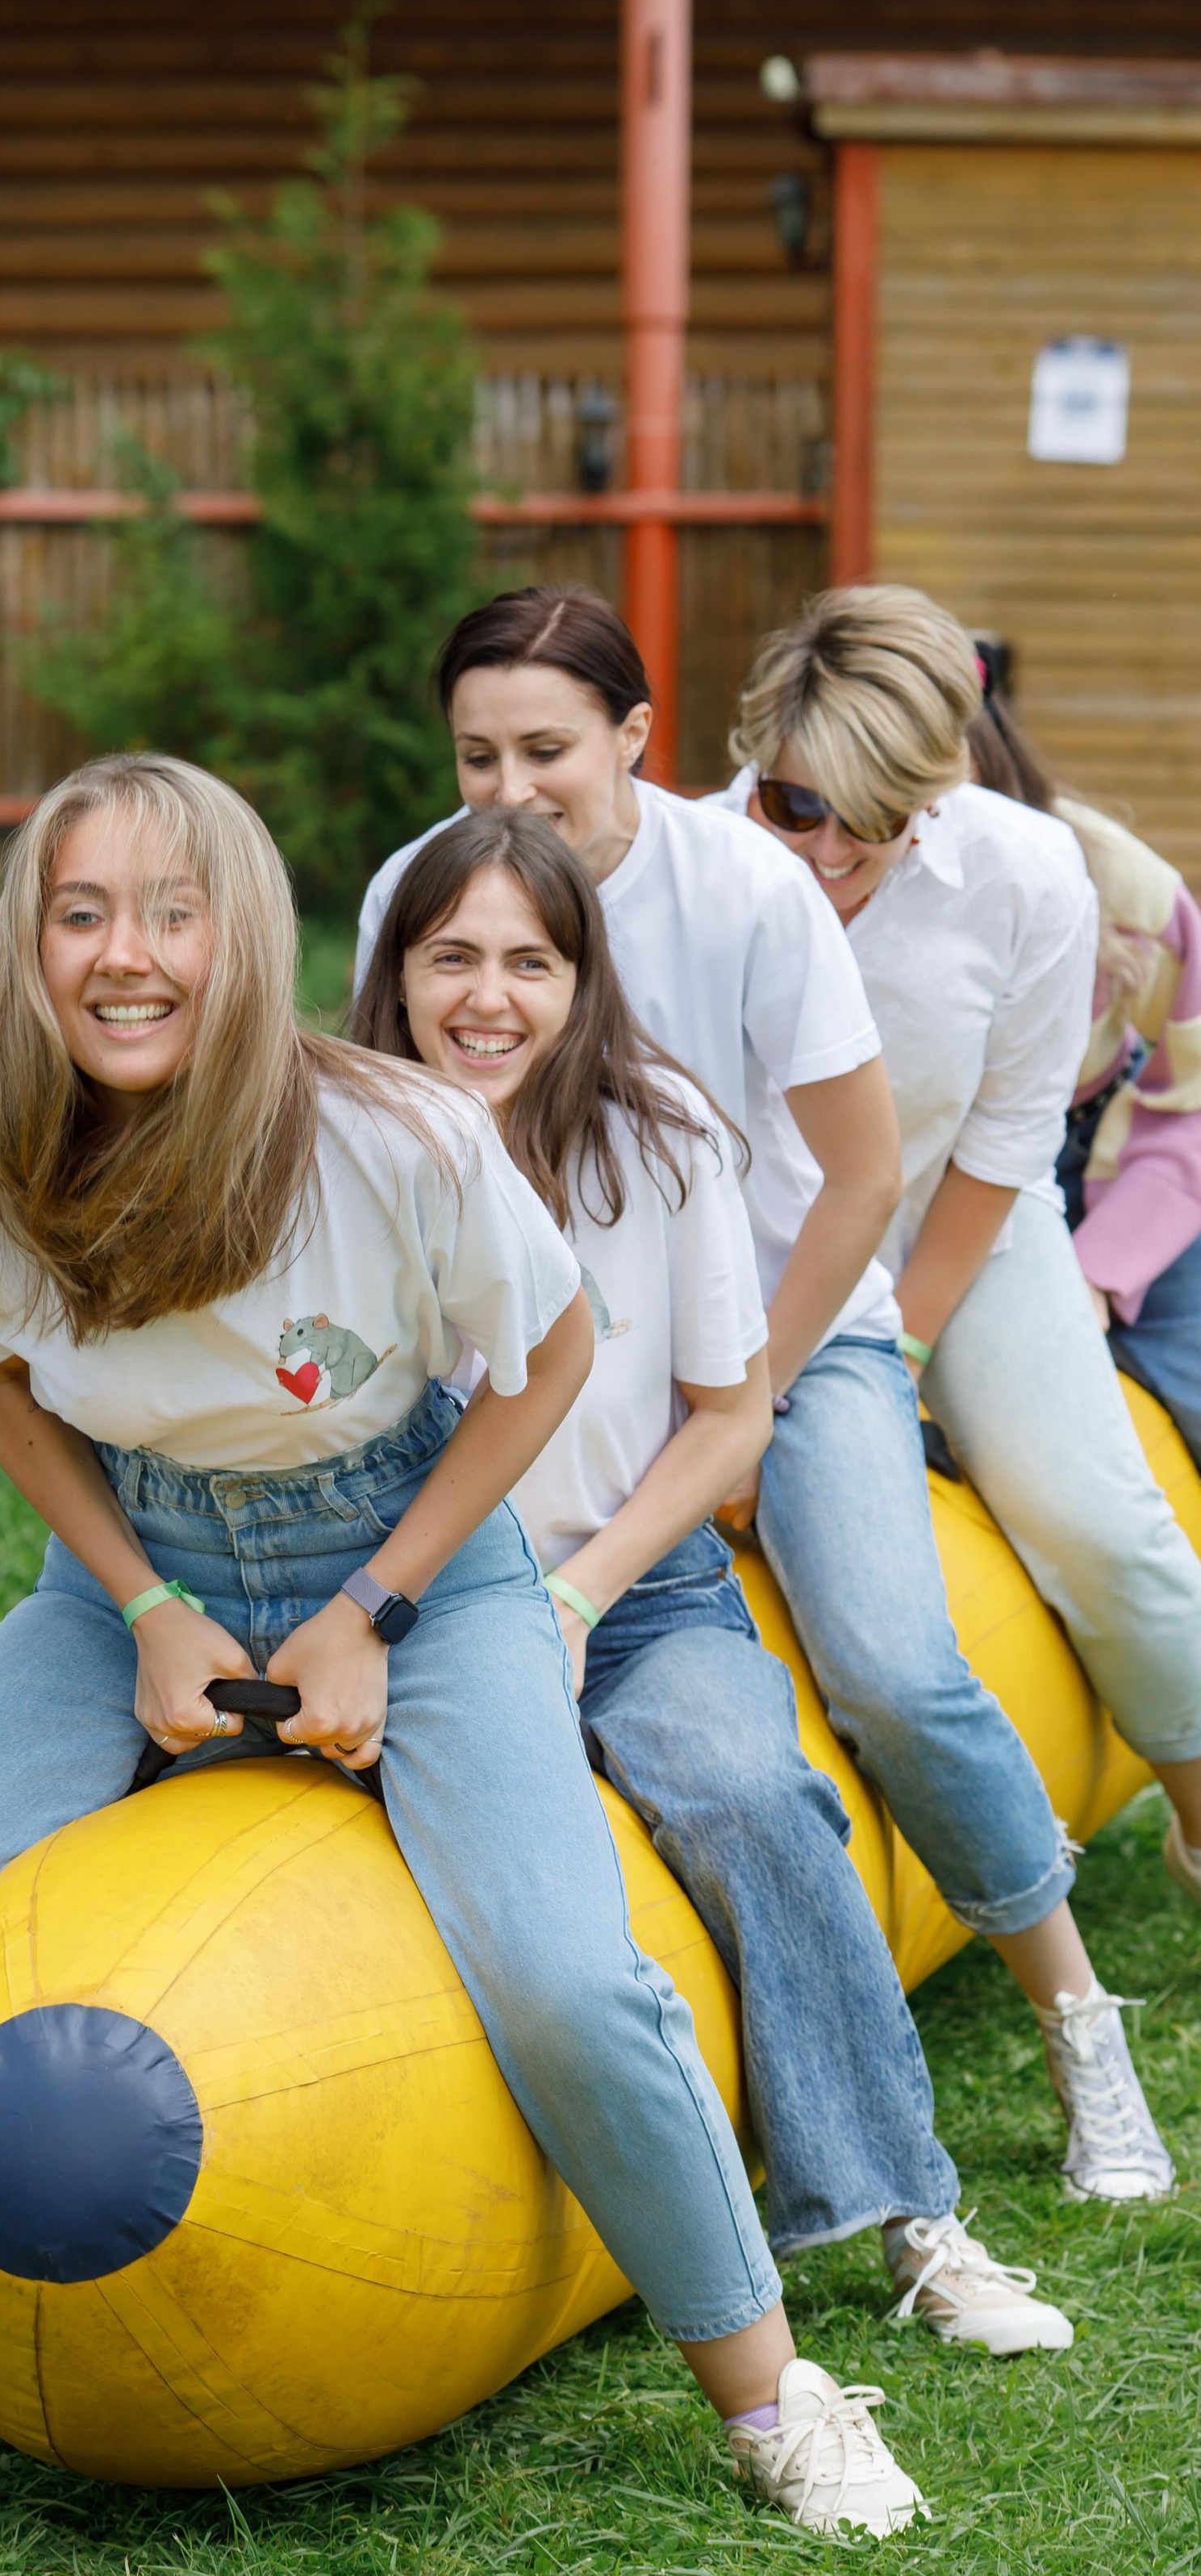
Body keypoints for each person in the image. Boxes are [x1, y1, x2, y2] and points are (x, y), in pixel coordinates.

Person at [0, 752, 922, 2541]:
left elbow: (544, 1368)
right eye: (81, 912)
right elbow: (1, 1391)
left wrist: (370, 1614)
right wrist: (147, 1608)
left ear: (239, 940)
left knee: (571, 1986)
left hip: (418, 1554)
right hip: (136, 1564)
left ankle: (771, 2391)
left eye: (170, 914)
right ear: (28, 941)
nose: (125, 956)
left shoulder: (393, 1139)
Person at [356, 587, 1170, 2207]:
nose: (508, 790)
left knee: (882, 1657)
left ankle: (1078, 2022)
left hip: (794, 1326)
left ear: (634, 741)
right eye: (475, 755)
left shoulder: (742, 883)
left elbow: (864, 1178)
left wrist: (742, 1415)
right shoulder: (417, 885)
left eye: (545, 751)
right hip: (540, 1358)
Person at [729, 589, 1201, 1951]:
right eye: (797, 806)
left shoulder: (1032, 871)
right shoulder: (693, 860)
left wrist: (900, 1360)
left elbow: (1007, 1143)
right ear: (751, 752)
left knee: (1103, 1527)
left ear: (940, 784)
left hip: (960, 1230)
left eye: (877, 819)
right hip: (751, 1252)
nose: (830, 852)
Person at [968, 666, 1201, 1540]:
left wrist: (1103, 1267)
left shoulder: (1121, 883)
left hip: (1112, 1153)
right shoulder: (814, 860)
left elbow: (1189, 1094)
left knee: (1185, 1379)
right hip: (944, 1173)